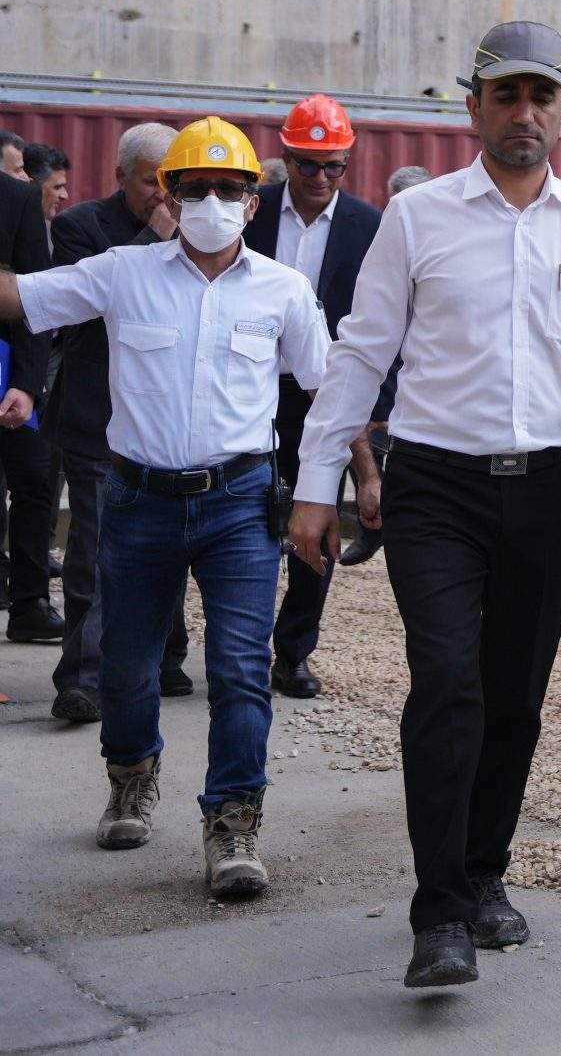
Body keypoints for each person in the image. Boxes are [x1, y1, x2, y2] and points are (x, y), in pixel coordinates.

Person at [288, 20, 561, 991]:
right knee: (447, 682)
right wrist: (315, 485)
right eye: (507, 94)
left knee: (514, 696)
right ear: (474, 107)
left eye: (542, 96)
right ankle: (439, 912)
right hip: (436, 488)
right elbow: (361, 353)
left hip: (546, 488)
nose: (524, 113)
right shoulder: (418, 219)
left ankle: (485, 871)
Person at [0, 116, 333, 899]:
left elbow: (330, 390)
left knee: (240, 669)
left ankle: (233, 821)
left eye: (229, 188)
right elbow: (19, 296)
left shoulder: (284, 289)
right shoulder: (122, 273)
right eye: (195, 188)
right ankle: (131, 773)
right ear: (168, 199)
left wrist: (349, 478)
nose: (212, 201)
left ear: (253, 202)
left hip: (240, 504)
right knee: (124, 666)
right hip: (137, 502)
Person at [251, 94, 397, 697]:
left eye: (332, 165)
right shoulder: (250, 213)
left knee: (318, 521)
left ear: (346, 164)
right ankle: (225, 648)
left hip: (328, 397)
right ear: (286, 159)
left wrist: (379, 409)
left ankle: (293, 653)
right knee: (241, 522)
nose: (319, 177)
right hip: (250, 389)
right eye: (307, 164)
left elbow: (390, 320)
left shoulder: (369, 226)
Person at [44, 122, 185, 722]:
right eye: (152, 182)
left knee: (170, 539)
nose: (163, 195)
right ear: (120, 176)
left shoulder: (196, 228)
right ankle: (83, 678)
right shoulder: (81, 228)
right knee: (97, 549)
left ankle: (165, 657)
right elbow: (84, 311)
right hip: (97, 418)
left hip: (165, 418)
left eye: (171, 182)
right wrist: (156, 246)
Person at [1, 163, 58, 644]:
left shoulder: (17, 199)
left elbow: (35, 301)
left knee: (36, 484)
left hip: (7, 378)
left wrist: (26, 384)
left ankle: (30, 603)